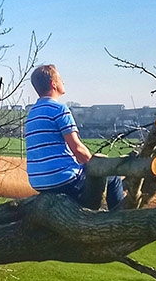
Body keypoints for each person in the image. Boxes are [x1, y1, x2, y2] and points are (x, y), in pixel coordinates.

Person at [25, 64, 124, 209]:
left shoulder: (31, 114)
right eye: (60, 79)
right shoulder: (59, 109)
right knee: (113, 177)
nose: (63, 82)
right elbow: (77, 148)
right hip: (64, 179)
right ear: (53, 84)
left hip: (38, 182)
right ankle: (121, 218)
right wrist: (94, 166)